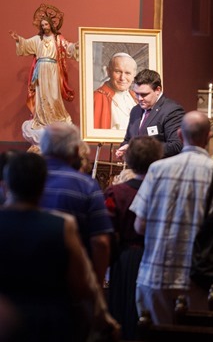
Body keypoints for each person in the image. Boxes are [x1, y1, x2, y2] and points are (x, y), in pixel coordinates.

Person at [130, 111, 213, 325]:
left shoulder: (157, 169)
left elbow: (140, 225)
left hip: (155, 273)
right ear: (209, 136)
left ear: (180, 135)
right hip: (197, 277)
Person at [0, 151, 120, 342]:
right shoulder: (62, 226)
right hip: (51, 321)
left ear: (6, 186)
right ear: (42, 187)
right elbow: (80, 284)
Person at [39, 122, 114, 287]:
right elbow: (100, 241)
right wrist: (96, 285)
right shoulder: (86, 185)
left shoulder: (22, 178)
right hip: (71, 282)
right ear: (74, 150)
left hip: (24, 279)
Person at [104, 136, 163, 340]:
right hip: (157, 257)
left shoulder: (116, 192)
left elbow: (109, 231)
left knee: (123, 310)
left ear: (129, 159)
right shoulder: (164, 191)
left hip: (126, 257)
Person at [9, 15, 78, 146]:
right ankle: (42, 119)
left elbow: (68, 48)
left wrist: (75, 46)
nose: (44, 27)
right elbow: (26, 45)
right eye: (42, 25)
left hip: (53, 70)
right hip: (41, 70)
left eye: (46, 25)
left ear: (51, 25)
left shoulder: (58, 39)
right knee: (41, 95)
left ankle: (56, 118)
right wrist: (18, 39)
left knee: (54, 95)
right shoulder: (37, 39)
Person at [115, 69, 185, 160]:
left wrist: (140, 149)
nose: (139, 98)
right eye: (137, 94)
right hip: (137, 170)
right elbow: (128, 140)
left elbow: (176, 145)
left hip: (160, 171)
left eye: (144, 94)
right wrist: (124, 149)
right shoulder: (135, 110)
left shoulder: (172, 110)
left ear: (158, 90)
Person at [94, 53, 138, 129]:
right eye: (118, 72)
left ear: (134, 75)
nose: (122, 78)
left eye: (127, 73)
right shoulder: (96, 98)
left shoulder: (136, 99)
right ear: (108, 72)